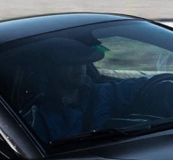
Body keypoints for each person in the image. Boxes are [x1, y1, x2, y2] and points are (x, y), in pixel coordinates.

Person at [21, 38, 156, 144]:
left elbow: (134, 87)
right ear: (52, 69)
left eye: (83, 61)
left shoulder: (101, 93)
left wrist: (162, 85)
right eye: (70, 63)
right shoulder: (39, 118)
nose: (80, 67)